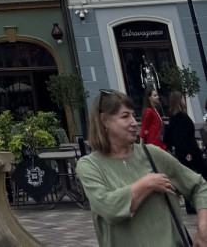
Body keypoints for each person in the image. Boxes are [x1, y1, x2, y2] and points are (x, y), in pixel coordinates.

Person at [76, 89, 207, 246]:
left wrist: (203, 228)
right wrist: (147, 183)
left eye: (133, 115)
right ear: (104, 121)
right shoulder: (90, 166)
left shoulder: (152, 154)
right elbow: (110, 209)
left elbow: (199, 186)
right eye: (125, 116)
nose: (134, 122)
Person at [164, 90, 207, 214]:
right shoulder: (181, 117)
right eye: (182, 98)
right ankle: (198, 203)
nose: (184, 100)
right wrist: (187, 152)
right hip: (190, 151)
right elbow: (183, 136)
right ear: (179, 100)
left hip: (183, 151)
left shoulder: (173, 118)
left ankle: (191, 205)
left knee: (187, 178)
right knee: (201, 174)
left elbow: (171, 137)